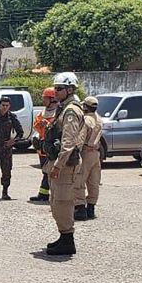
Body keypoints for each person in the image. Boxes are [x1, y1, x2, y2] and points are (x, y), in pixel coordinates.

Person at [44, 72, 85, 256]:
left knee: (62, 201)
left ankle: (68, 240)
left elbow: (69, 140)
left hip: (66, 165)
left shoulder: (71, 110)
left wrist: (58, 165)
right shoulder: (64, 107)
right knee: (56, 202)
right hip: (61, 162)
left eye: (59, 88)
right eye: (55, 88)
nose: (56, 91)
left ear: (69, 89)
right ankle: (63, 236)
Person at [73, 96, 103, 220]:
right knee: (94, 182)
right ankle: (91, 208)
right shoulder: (99, 119)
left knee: (79, 180)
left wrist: (74, 152)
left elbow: (80, 138)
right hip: (96, 153)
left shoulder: (86, 120)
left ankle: (80, 209)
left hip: (86, 152)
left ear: (85, 106)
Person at [30, 88, 58, 202]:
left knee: (49, 171)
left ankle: (47, 194)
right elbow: (35, 125)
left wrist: (47, 124)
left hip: (52, 147)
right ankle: (43, 194)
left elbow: (58, 127)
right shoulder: (43, 112)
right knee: (45, 171)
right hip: (42, 148)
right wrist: (39, 124)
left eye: (45, 98)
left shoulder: (59, 112)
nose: (43, 100)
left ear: (52, 99)